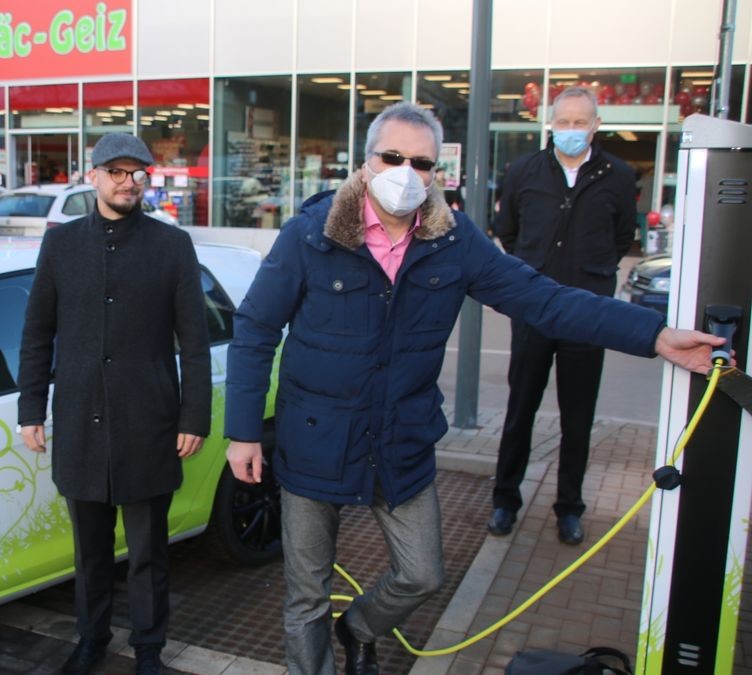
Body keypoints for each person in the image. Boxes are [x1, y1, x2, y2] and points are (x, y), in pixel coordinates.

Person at [222, 102, 724, 675]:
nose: (405, 172)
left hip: (400, 441)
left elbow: (546, 300)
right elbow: (256, 328)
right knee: (306, 596)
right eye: (392, 157)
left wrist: (654, 334)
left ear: (438, 172)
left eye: (422, 162)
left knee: (422, 574)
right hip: (313, 439)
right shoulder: (309, 235)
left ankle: (360, 626)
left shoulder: (453, 243)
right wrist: (243, 434)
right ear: (365, 164)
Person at [17, 133, 211, 675]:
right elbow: (37, 332)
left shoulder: (171, 247)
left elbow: (194, 343)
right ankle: (91, 638)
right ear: (94, 177)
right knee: (91, 550)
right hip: (80, 421)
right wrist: (32, 407)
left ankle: (149, 647)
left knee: (149, 551)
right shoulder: (61, 246)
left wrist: (194, 415)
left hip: (148, 422)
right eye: (118, 172)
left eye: (138, 173)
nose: (129, 182)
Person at [486, 87, 639, 546]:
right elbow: (506, 231)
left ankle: (569, 508)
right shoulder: (525, 171)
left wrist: (589, 277)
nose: (571, 130)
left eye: (580, 122)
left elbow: (621, 238)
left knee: (578, 417)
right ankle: (504, 500)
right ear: (550, 123)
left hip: (587, 313)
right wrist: (532, 274)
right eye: (564, 121)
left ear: (596, 124)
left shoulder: (617, 175)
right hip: (533, 308)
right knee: (520, 410)